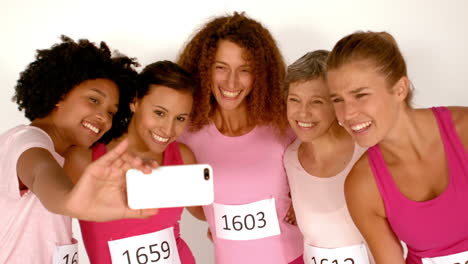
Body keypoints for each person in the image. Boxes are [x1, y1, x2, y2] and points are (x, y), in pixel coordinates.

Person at [0, 36, 158, 264]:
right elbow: (41, 174)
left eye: (112, 112)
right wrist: (70, 201)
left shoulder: (65, 156)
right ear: (59, 94)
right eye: (94, 100)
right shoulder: (27, 142)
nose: (103, 117)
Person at [326, 31, 468, 264]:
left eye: (360, 95)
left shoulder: (464, 131)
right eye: (337, 100)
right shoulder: (363, 184)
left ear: (400, 89)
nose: (347, 114)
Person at [177, 12, 303, 264]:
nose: (231, 81)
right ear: (204, 70)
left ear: (261, 74)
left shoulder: (284, 125)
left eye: (244, 70)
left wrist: (304, 203)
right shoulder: (186, 134)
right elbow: (196, 207)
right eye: (220, 68)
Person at [64, 60, 198, 264]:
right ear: (135, 102)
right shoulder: (85, 160)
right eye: (159, 113)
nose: (168, 130)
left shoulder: (182, 157)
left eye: (180, 118)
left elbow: (206, 214)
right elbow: (48, 226)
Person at [283, 50, 374, 264]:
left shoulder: (368, 150)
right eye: (295, 100)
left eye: (316, 102)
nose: (303, 113)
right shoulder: (289, 158)